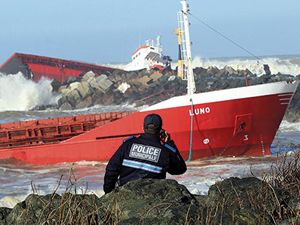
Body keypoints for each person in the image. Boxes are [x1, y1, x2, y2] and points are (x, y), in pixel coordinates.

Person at [103, 113, 187, 194]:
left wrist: (109, 193)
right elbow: (180, 170)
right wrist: (169, 143)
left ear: (143, 128)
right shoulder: (165, 151)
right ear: (161, 130)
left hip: (125, 194)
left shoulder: (128, 144)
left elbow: (111, 168)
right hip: (151, 199)